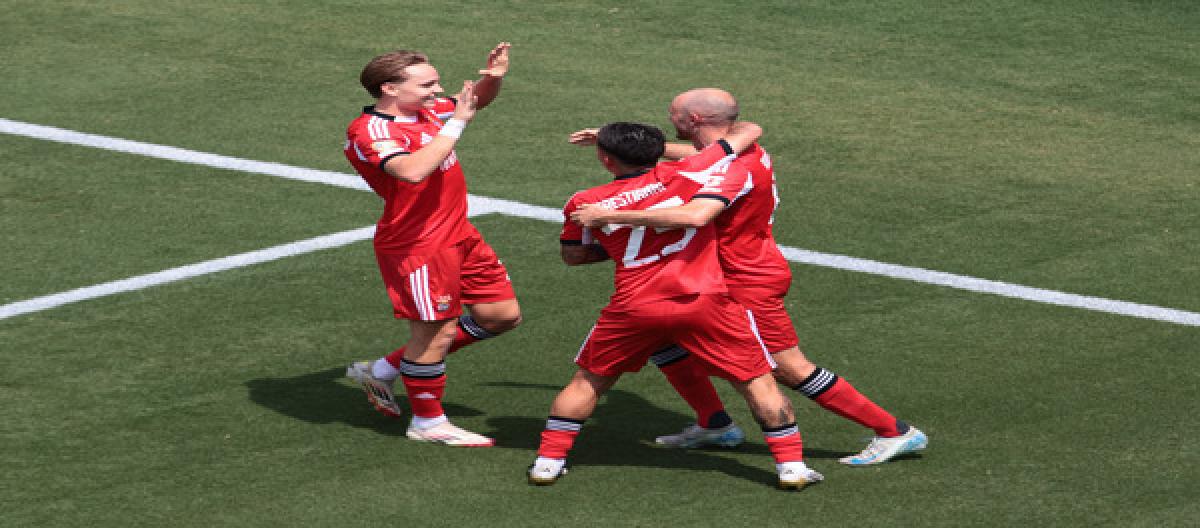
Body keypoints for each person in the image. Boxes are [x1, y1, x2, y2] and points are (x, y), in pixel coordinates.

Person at [569, 88, 927, 466]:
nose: (667, 118)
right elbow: (706, 153)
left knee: (787, 367)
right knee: (661, 338)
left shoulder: (724, 164)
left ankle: (893, 431)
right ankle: (714, 423)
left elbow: (694, 196)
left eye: (673, 113)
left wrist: (609, 211)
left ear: (693, 121)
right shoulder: (739, 152)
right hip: (728, 272)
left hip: (745, 279)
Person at [529, 122, 823, 490]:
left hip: (635, 306)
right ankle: (791, 467)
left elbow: (573, 256)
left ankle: (547, 462)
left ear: (606, 160)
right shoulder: (694, 171)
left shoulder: (585, 201)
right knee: (756, 382)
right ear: (658, 151)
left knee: (588, 382)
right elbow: (747, 131)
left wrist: (620, 239)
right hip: (706, 302)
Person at [342, 43, 520, 447]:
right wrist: (456, 123)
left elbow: (475, 101)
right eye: (427, 84)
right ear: (389, 88)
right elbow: (412, 171)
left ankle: (384, 370)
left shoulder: (428, 110)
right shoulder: (371, 131)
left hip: (460, 233)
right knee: (437, 332)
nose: (438, 91)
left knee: (501, 315)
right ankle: (427, 423)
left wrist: (494, 76)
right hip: (418, 245)